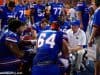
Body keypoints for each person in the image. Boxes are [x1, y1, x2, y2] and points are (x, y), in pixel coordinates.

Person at [88, 0, 100, 75]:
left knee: (96, 57)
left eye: (92, 3)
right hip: (96, 36)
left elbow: (95, 27)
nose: (91, 5)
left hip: (98, 37)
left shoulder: (98, 11)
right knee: (94, 57)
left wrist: (90, 38)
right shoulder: (95, 12)